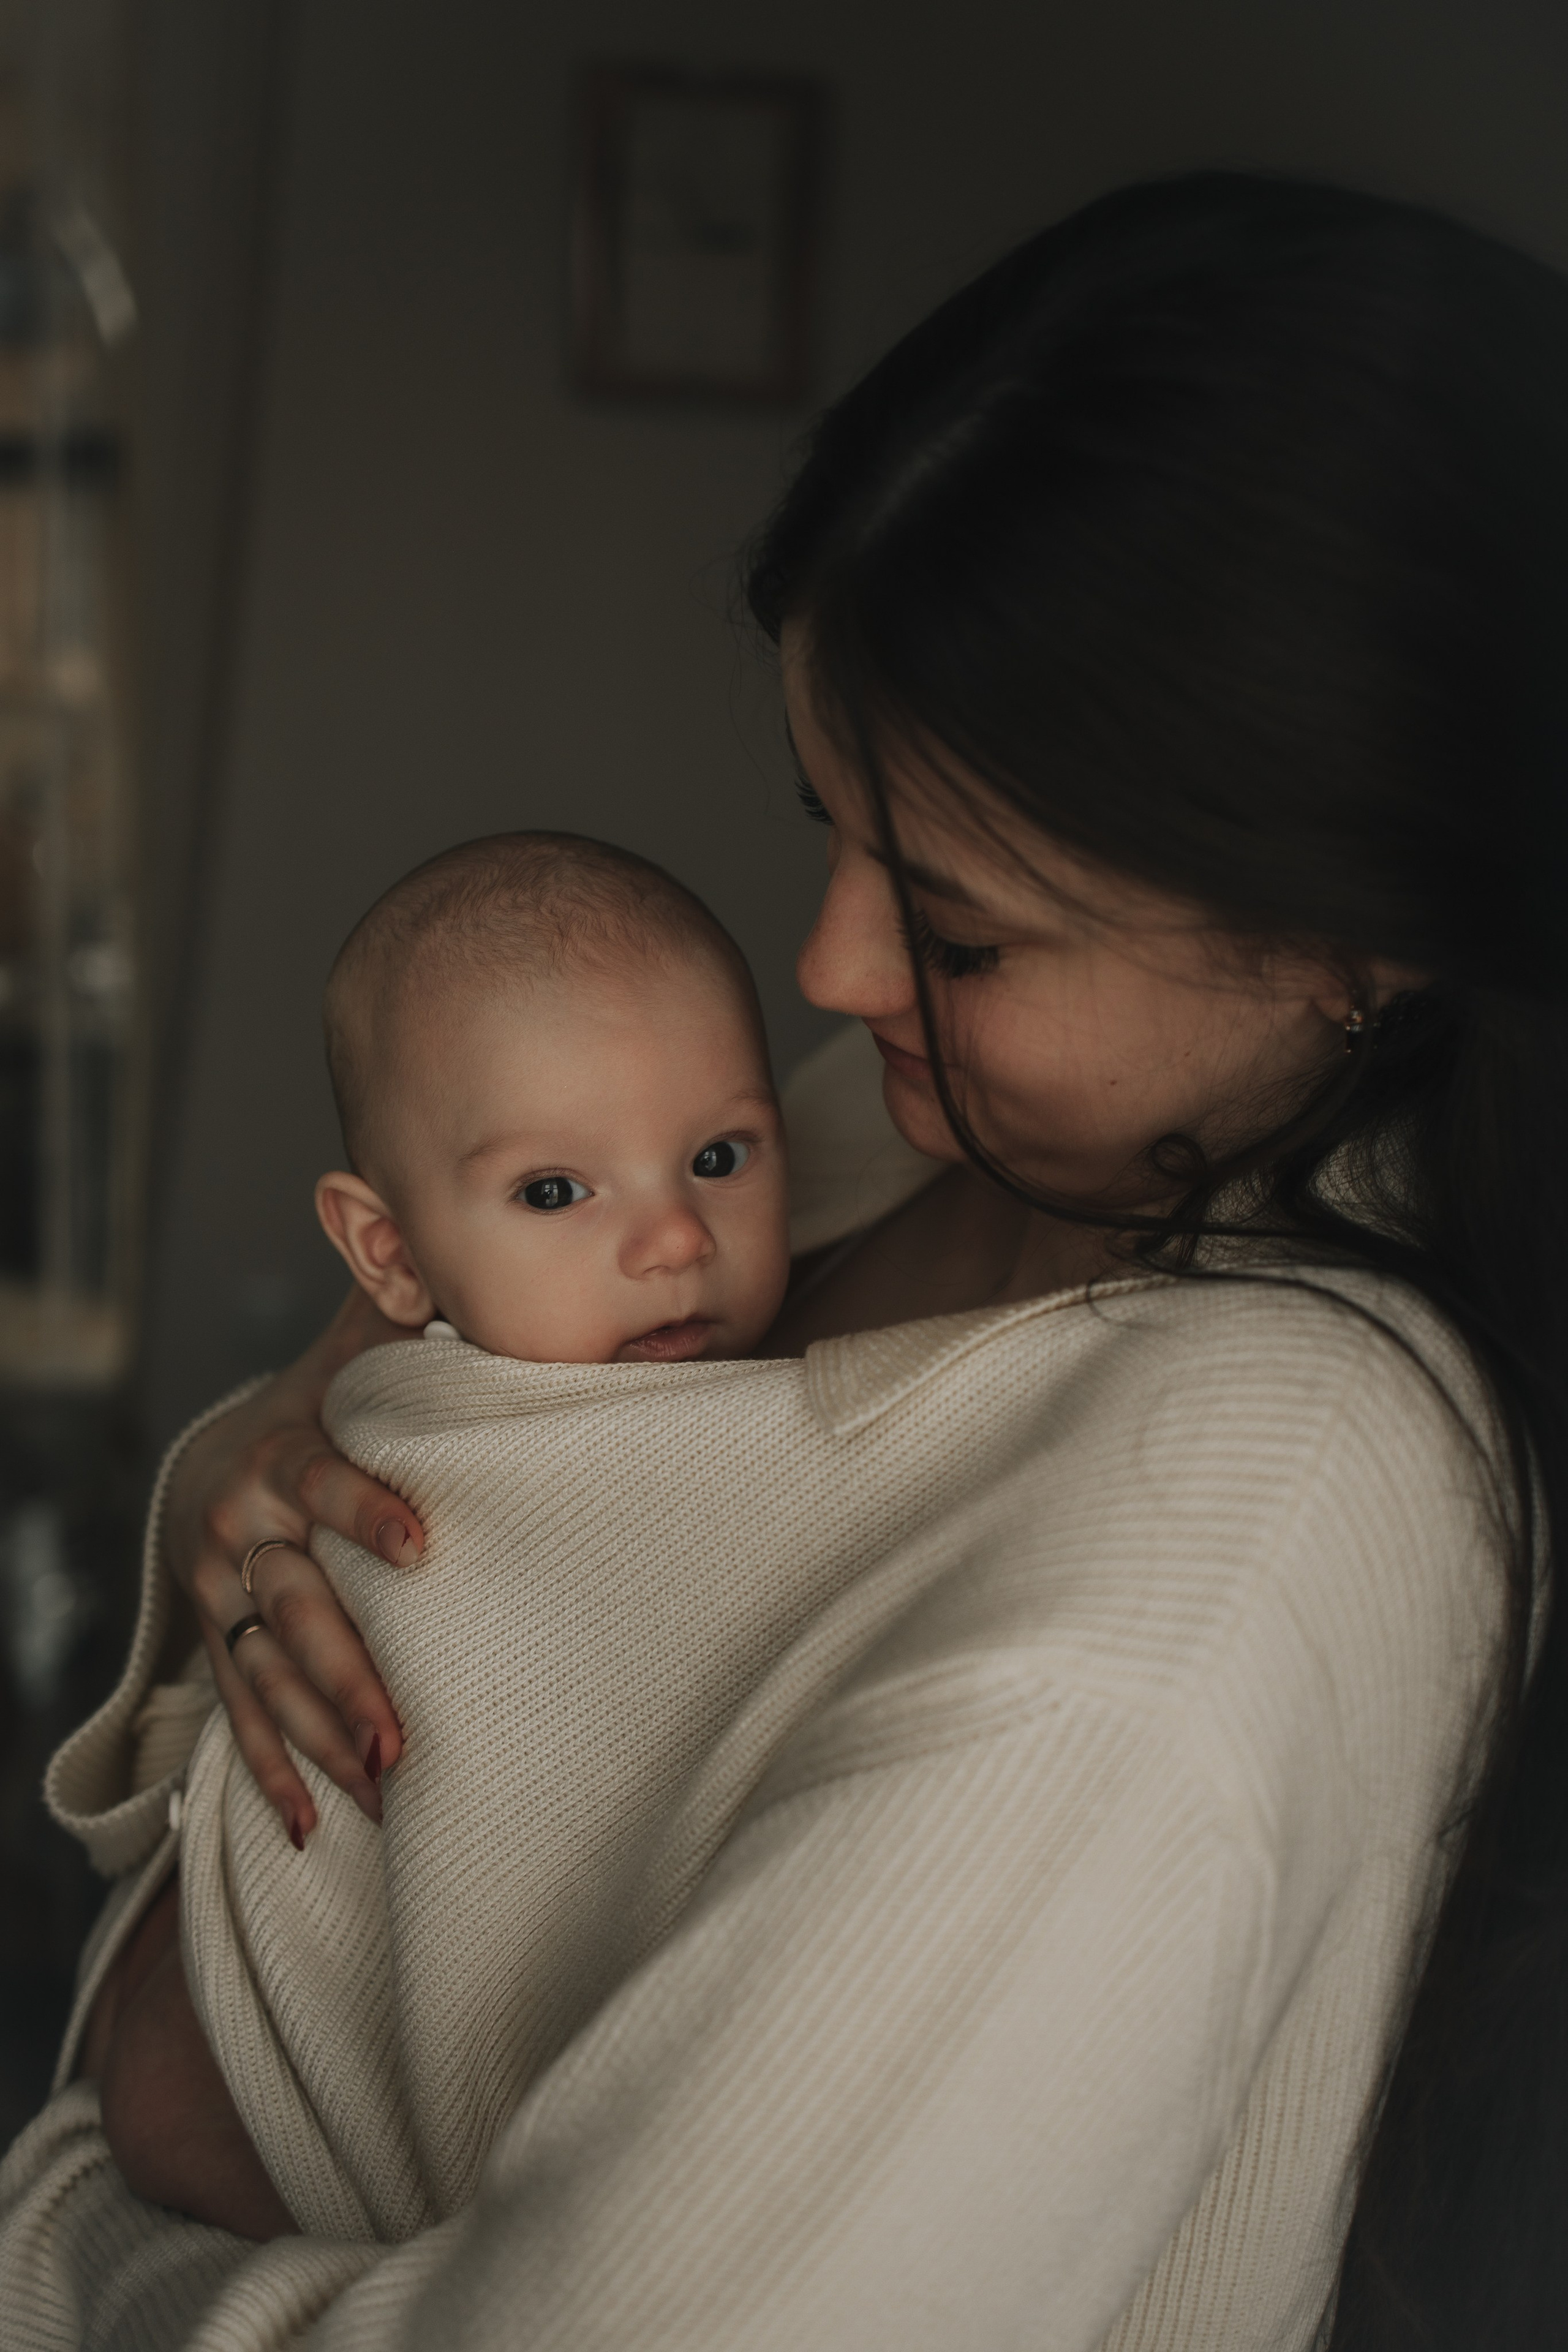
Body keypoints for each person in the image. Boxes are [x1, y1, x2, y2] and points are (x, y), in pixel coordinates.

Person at [2, 168, 1565, 2351]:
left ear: (1348, 941)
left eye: (957, 924)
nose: (827, 963)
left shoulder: (1225, 1558)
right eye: (828, 816)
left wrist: (58, 2233)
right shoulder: (924, 1127)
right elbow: (524, 1495)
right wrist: (255, 1483)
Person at [86, 828, 796, 2242]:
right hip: (238, 2051)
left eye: (718, 1156)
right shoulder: (391, 1436)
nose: (672, 1239)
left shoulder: (762, 1433)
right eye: (555, 1191)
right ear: (390, 1255)